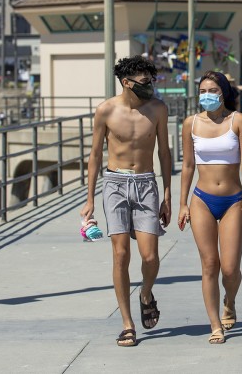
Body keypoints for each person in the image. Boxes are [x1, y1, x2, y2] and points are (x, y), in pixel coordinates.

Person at [80, 55, 172, 347]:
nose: (150, 86)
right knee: (120, 255)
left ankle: (146, 293)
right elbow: (95, 155)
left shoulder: (157, 109)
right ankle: (127, 323)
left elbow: (165, 153)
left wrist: (167, 193)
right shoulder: (105, 110)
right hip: (115, 185)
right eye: (144, 82)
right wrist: (89, 199)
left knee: (150, 256)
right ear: (126, 82)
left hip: (146, 183)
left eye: (151, 80)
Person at [179, 71, 242, 345]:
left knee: (230, 269)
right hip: (202, 199)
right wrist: (182, 204)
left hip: (233, 199)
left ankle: (229, 301)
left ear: (223, 92)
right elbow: (187, 166)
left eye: (212, 90)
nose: (206, 95)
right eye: (202, 91)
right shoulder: (190, 123)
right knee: (210, 263)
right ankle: (214, 325)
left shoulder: (238, 121)